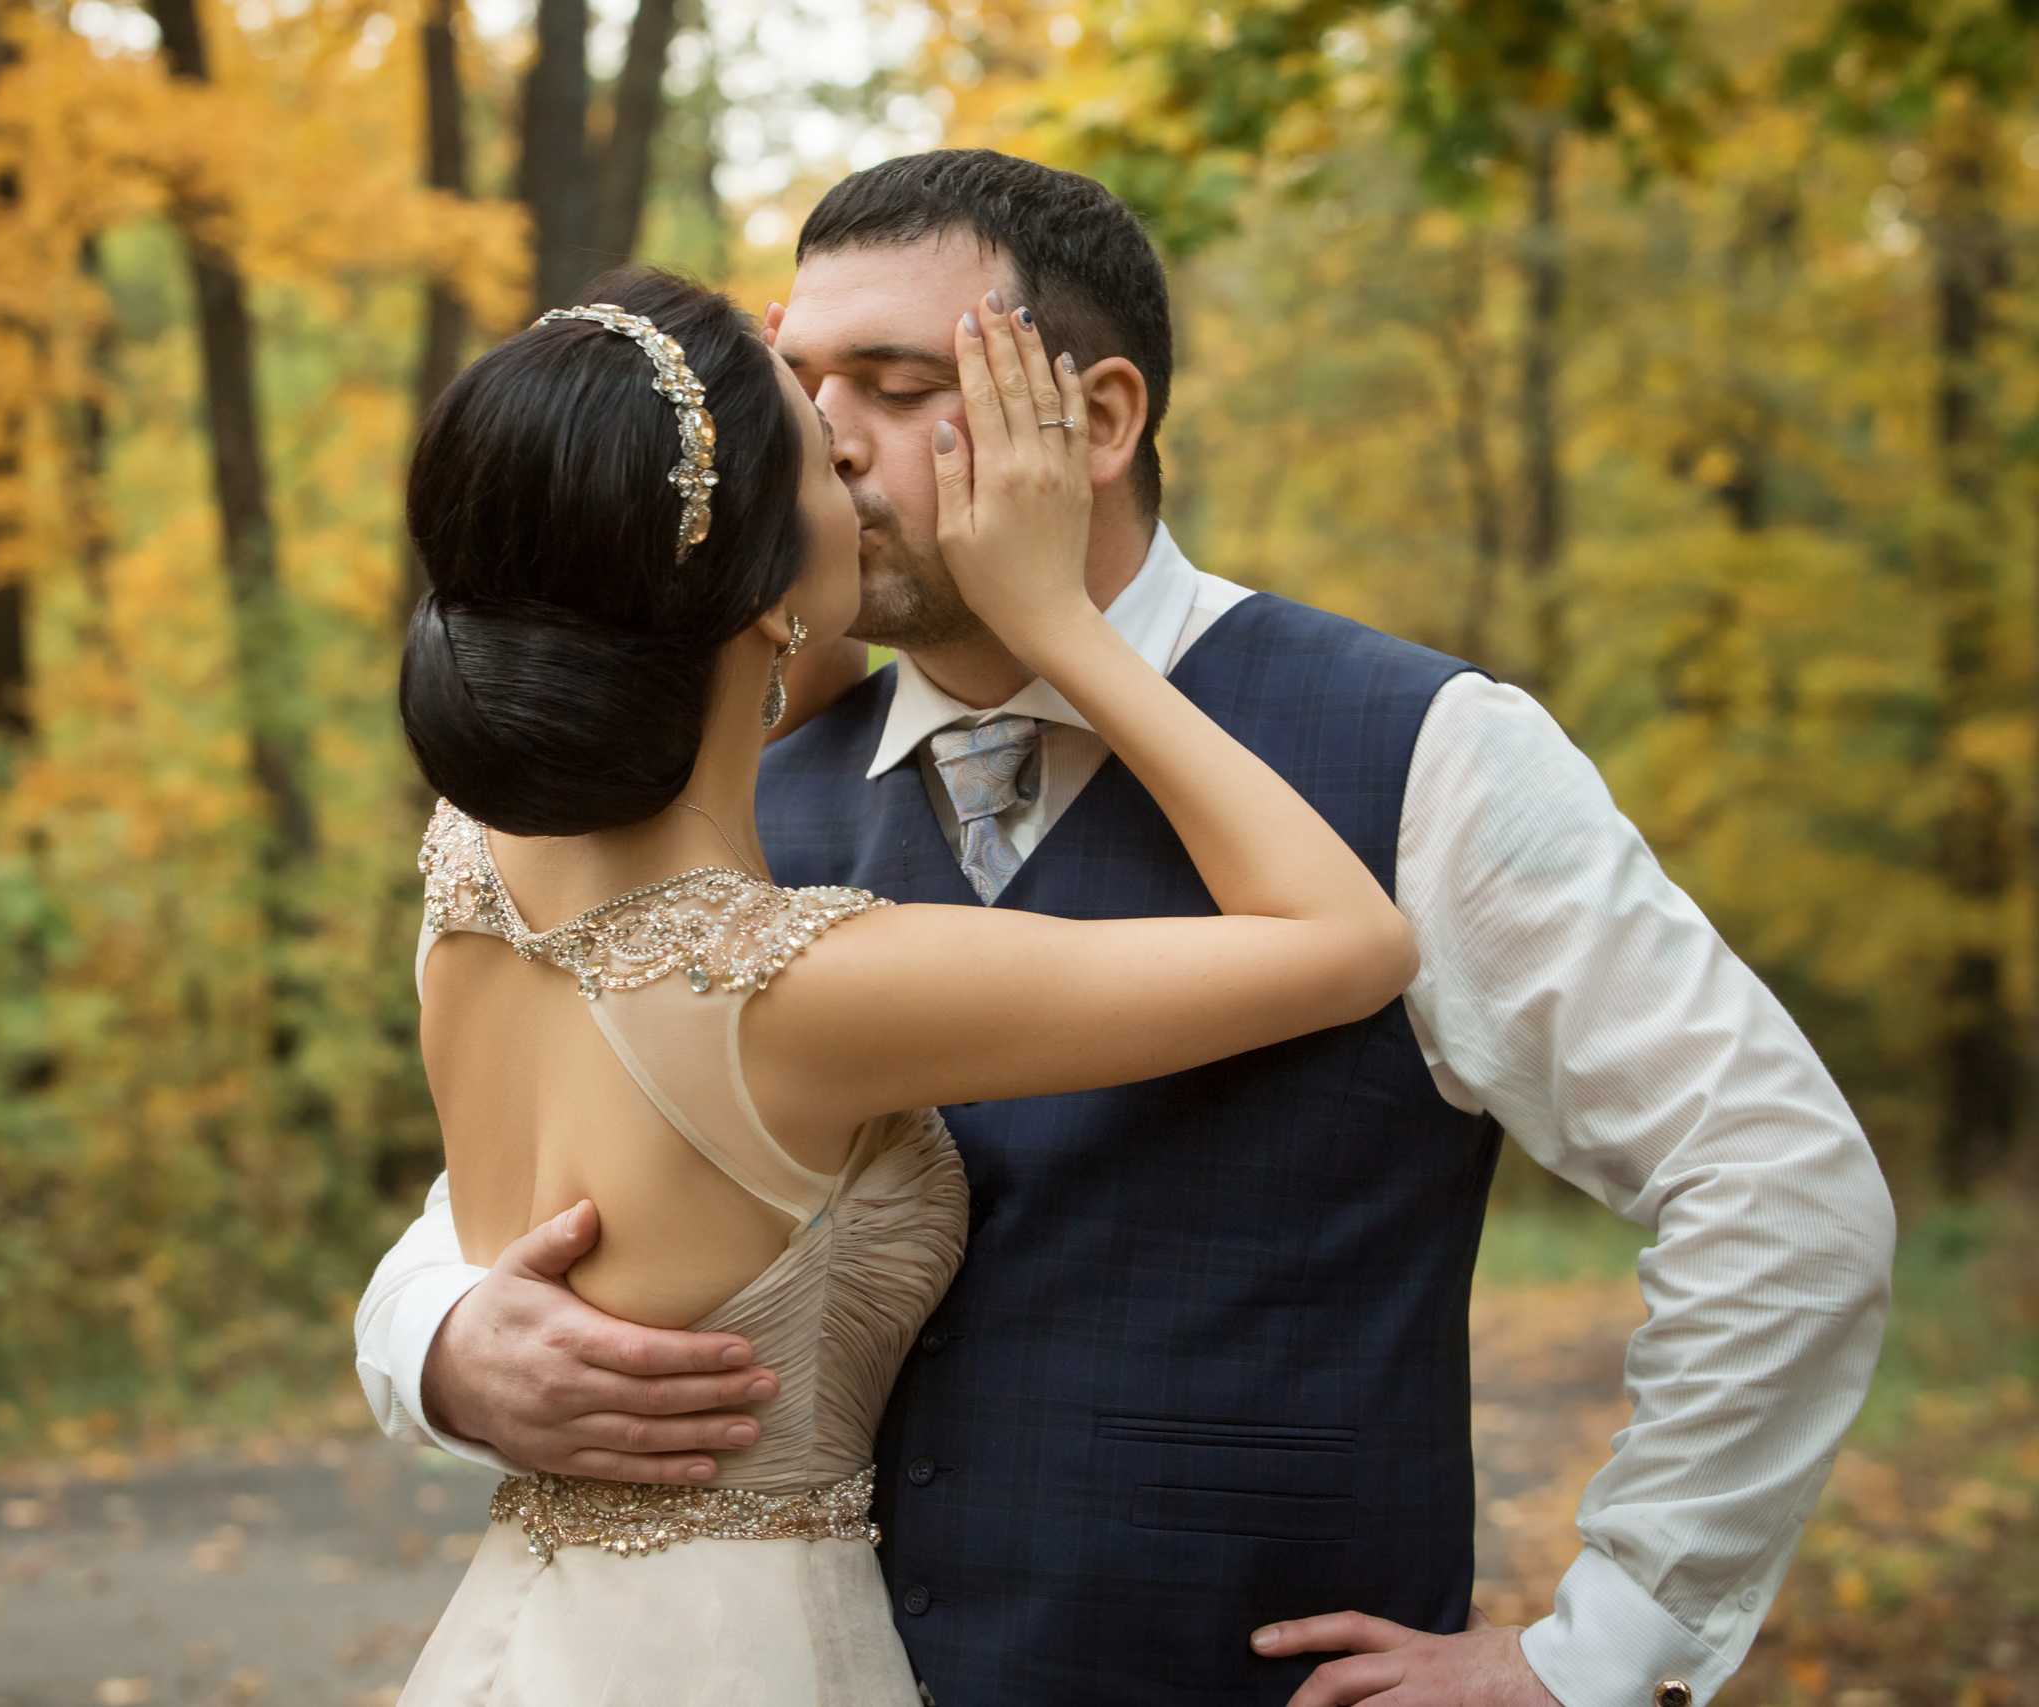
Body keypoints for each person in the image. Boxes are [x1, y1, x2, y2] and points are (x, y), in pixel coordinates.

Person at [363, 153, 1897, 1707]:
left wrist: (1600, 1657)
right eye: (803, 383)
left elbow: (1779, 1185)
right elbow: (529, 1166)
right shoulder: (728, 796)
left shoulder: (1421, 747)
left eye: (895, 384)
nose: (825, 436)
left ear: (1095, 423)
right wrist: (440, 1342)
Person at [388, 266, 1420, 1705]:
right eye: (818, 443)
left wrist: (706, 431)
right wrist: (1060, 622)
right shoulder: (796, 983)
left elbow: (701, 697)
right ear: (753, 592)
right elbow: (1349, 943)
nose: (855, 454)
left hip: (532, 1639)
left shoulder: (470, 863)